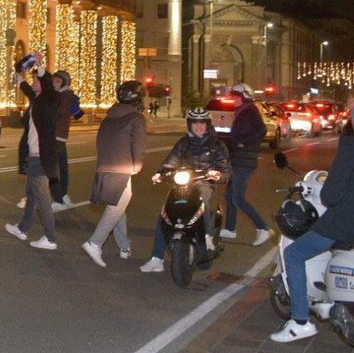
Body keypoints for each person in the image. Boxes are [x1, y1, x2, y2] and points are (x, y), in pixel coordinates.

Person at [270, 100, 354, 341]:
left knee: (295, 254)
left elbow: (331, 195)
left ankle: (300, 321)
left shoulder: (353, 148)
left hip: (352, 223)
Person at [139, 107, 231, 272]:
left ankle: (208, 236)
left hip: (205, 183)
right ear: (189, 125)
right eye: (195, 123)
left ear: (207, 124)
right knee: (165, 214)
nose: (198, 126)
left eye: (202, 123)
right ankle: (156, 258)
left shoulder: (217, 145)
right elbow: (171, 162)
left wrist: (218, 174)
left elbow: (226, 170)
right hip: (183, 184)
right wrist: (160, 174)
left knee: (204, 197)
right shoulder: (183, 143)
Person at [82, 81, 147, 267]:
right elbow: (139, 145)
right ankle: (95, 243)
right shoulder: (136, 118)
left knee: (117, 205)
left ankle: (124, 246)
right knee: (117, 206)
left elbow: (100, 140)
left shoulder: (109, 116)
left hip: (105, 165)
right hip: (123, 166)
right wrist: (137, 165)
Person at [5, 52, 61, 250]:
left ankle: (50, 238)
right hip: (34, 155)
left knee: (42, 197)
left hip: (41, 156)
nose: (34, 80)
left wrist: (39, 66)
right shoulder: (37, 101)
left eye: (36, 79)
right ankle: (23, 228)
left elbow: (45, 85)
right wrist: (20, 78)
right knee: (31, 193)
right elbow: (28, 90)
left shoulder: (51, 99)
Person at [219, 83, 272, 246]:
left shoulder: (250, 110)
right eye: (232, 95)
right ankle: (230, 229)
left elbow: (261, 130)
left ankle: (263, 228)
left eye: (235, 95)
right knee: (229, 195)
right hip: (237, 159)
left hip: (244, 161)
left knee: (237, 198)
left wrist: (244, 143)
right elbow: (237, 136)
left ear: (244, 96)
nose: (232, 98)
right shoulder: (241, 112)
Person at [51, 70, 84, 206]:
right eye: (54, 80)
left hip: (54, 136)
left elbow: (59, 113)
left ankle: (59, 199)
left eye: (58, 81)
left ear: (64, 83)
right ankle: (64, 196)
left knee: (51, 170)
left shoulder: (61, 96)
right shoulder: (70, 96)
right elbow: (78, 114)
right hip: (61, 137)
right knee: (63, 168)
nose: (54, 83)